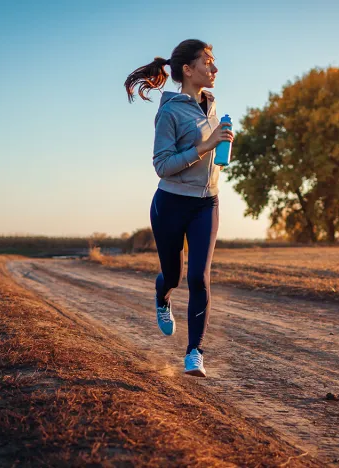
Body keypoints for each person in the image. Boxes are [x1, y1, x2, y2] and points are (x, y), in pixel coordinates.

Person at [123, 39, 233, 377]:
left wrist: (222, 145)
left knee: (199, 277)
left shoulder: (211, 105)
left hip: (206, 203)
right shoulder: (169, 111)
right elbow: (162, 165)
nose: (214, 69)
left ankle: (194, 353)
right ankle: (162, 296)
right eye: (207, 62)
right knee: (174, 275)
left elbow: (208, 152)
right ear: (188, 70)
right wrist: (207, 145)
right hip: (170, 203)